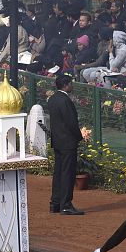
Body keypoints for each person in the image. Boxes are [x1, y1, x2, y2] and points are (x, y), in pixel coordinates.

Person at [46, 74, 85, 215]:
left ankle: (55, 203)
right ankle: (66, 205)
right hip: (68, 142)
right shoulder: (65, 100)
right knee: (67, 173)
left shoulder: (53, 99)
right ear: (66, 85)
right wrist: (79, 136)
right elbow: (71, 123)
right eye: (71, 84)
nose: (72, 86)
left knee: (58, 172)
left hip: (57, 141)